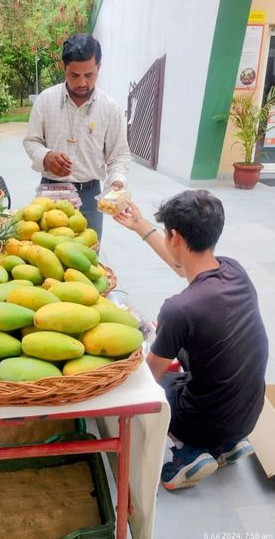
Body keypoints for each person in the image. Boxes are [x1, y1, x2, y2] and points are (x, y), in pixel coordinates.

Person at [114, 190, 268, 490]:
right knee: (195, 366)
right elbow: (183, 266)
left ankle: (191, 453)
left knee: (155, 390)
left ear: (174, 236)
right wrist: (140, 225)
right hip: (251, 413)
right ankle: (229, 445)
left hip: (206, 421)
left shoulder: (179, 308)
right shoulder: (233, 269)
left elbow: (151, 377)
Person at [23, 33, 130, 241]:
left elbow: (119, 155)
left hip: (90, 196)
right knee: (47, 257)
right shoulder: (46, 101)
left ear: (99, 67)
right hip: (51, 193)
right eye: (74, 75)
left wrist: (117, 182)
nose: (82, 82)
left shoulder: (110, 109)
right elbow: (31, 141)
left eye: (89, 75)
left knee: (87, 263)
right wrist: (46, 156)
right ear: (64, 69)